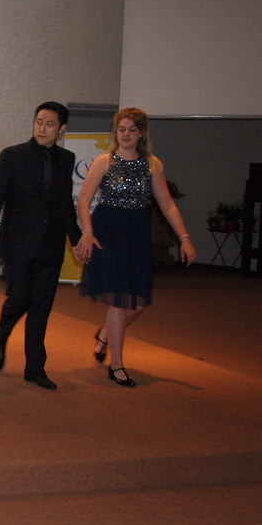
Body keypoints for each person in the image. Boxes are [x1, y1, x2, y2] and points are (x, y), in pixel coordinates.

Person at [76, 107, 196, 386]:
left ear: (141, 133)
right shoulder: (104, 161)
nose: (126, 134)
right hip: (107, 231)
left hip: (137, 233)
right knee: (119, 301)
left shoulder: (152, 164)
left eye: (132, 129)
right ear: (115, 132)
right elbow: (84, 199)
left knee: (138, 302)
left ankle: (105, 334)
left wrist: (185, 238)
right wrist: (88, 232)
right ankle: (117, 365)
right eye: (122, 129)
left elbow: (167, 204)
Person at [0, 101, 83, 391]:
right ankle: (1, 335)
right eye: (39, 122)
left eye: (50, 124)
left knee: (42, 305)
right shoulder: (13, 156)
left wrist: (76, 238)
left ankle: (35, 368)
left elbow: (64, 204)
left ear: (62, 129)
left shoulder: (66, 159)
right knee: (19, 298)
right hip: (18, 242)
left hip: (51, 244)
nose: (42, 128)